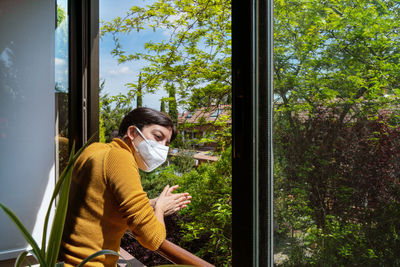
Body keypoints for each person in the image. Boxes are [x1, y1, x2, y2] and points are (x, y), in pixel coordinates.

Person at [59, 107, 191, 267]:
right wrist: (160, 209)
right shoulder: (121, 158)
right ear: (133, 133)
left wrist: (151, 204)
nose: (163, 148)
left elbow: (101, 206)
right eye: (158, 137)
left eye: (166, 143)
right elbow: (153, 239)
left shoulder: (95, 150)